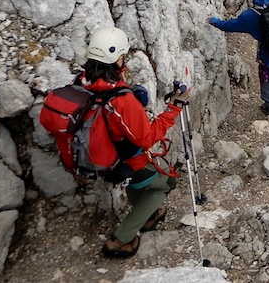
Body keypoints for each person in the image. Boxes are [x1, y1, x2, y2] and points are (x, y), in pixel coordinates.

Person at [74, 27, 191, 258]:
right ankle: (120, 240)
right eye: (121, 56)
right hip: (124, 160)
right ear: (115, 59)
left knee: (146, 181)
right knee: (165, 184)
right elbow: (147, 137)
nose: (123, 59)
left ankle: (147, 211)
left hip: (94, 154)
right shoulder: (121, 101)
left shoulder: (81, 82)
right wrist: (173, 108)